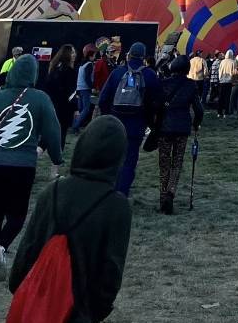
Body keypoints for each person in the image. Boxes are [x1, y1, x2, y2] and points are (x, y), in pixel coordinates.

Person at [7, 116, 131, 323]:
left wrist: (25, 294)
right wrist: (87, 317)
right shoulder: (116, 206)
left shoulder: (52, 192)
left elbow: (26, 253)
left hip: (33, 312)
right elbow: (110, 276)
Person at [0, 53, 63, 279]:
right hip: (21, 166)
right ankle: (1, 245)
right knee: (16, 216)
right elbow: (53, 131)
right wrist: (57, 158)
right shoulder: (40, 99)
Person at [98, 42, 161, 197]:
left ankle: (107, 190)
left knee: (114, 158)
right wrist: (150, 121)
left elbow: (102, 100)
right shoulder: (150, 75)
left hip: (116, 124)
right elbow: (158, 102)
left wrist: (110, 116)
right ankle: (120, 194)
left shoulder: (117, 73)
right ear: (144, 57)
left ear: (129, 54)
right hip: (136, 125)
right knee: (129, 161)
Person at [152, 53, 203, 215]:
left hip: (165, 128)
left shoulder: (163, 84)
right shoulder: (191, 85)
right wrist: (196, 124)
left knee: (164, 163)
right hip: (182, 128)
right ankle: (171, 191)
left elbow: (156, 105)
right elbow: (199, 109)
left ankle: (162, 198)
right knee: (177, 162)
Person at [45, 44, 79, 146]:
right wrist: (75, 108)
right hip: (64, 106)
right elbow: (71, 92)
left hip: (52, 104)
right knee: (61, 132)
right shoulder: (69, 71)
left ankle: (42, 149)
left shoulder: (54, 68)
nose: (74, 55)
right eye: (72, 52)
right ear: (66, 54)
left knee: (51, 131)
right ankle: (56, 159)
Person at [70, 45, 97, 135]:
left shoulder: (81, 64)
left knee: (80, 109)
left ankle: (75, 126)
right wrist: (92, 87)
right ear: (90, 55)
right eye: (94, 55)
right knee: (86, 109)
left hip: (79, 88)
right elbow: (87, 78)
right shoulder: (89, 64)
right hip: (85, 89)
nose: (95, 57)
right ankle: (75, 127)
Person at [216, 49, 236, 117]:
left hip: (222, 82)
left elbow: (220, 71)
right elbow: (234, 73)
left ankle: (219, 112)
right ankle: (226, 113)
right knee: (228, 98)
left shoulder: (222, 62)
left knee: (221, 98)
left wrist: (220, 79)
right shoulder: (233, 62)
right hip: (229, 82)